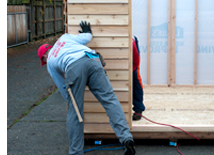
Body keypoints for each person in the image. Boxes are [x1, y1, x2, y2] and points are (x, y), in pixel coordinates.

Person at [39, 21, 136, 155]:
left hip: (74, 67)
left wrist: (70, 101)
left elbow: (62, 85)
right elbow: (86, 38)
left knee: (75, 112)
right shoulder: (64, 38)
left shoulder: (50, 61)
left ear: (44, 56)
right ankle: (126, 138)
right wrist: (88, 32)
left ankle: (76, 152)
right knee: (110, 100)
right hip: (93, 59)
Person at [131, 37, 145, 120]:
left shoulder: (132, 42)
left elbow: (135, 61)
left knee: (135, 80)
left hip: (134, 61)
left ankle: (138, 109)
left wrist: (132, 70)